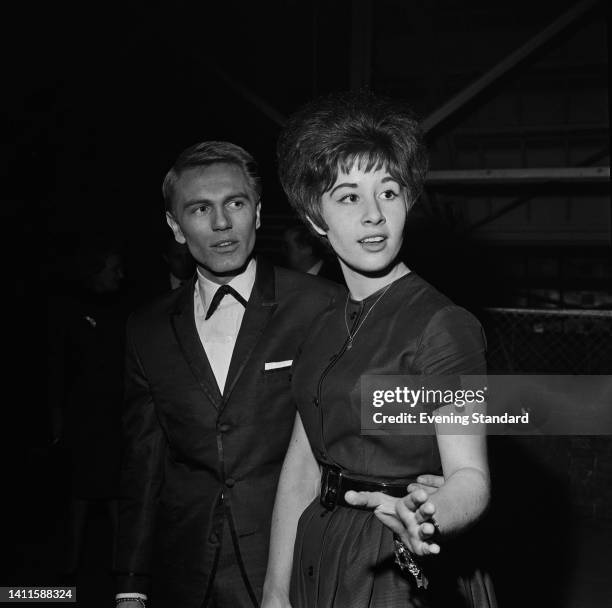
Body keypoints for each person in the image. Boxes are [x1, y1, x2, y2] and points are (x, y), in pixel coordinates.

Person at [262, 92, 496, 607]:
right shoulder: (322, 324)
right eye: (348, 197)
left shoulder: (443, 325)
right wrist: (276, 591)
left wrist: (430, 516)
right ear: (315, 218)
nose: (374, 215)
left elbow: (470, 476)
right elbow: (303, 468)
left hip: (395, 563)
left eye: (388, 193)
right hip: (318, 551)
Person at [113, 141, 344, 608]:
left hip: (292, 566)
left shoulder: (319, 306)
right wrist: (131, 585)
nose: (222, 224)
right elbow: (144, 467)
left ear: (257, 214)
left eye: (235, 204)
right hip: (183, 571)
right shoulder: (146, 329)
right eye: (200, 209)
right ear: (175, 227)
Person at [47, 240, 127, 577]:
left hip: (116, 416)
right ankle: (71, 566)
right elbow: (58, 368)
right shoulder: (72, 311)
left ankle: (122, 568)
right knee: (81, 492)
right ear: (97, 271)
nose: (121, 276)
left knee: (116, 492)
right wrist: (57, 417)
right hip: (84, 417)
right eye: (114, 269)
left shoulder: (125, 308)